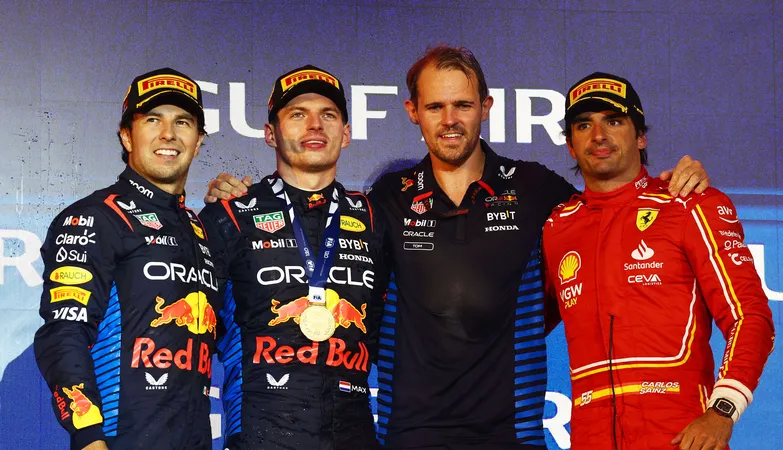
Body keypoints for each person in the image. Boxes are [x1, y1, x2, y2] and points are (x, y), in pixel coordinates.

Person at [205, 47, 709, 449]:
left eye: (464, 105)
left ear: (486, 108)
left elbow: (608, 212)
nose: (450, 119)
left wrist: (667, 184)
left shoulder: (536, 189)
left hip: (511, 435)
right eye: (435, 106)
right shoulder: (384, 198)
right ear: (413, 113)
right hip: (407, 435)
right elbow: (324, 251)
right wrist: (235, 199)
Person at [542, 72, 774, 450]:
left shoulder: (690, 203)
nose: (599, 135)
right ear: (569, 144)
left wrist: (723, 410)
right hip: (589, 438)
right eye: (584, 125)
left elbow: (749, 315)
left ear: (641, 136)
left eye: (614, 121)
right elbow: (522, 324)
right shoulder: (556, 226)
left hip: (681, 437)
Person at [199, 65, 387, 449]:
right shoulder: (230, 214)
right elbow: (192, 328)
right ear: (271, 134)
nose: (315, 125)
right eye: (298, 115)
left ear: (346, 134)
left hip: (353, 435)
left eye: (328, 115)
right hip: (261, 432)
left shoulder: (373, 219)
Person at [34, 68, 221, 450]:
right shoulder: (95, 217)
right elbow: (63, 334)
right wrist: (88, 438)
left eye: (182, 122)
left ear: (199, 141)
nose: (168, 134)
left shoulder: (199, 227)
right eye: (153, 120)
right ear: (126, 135)